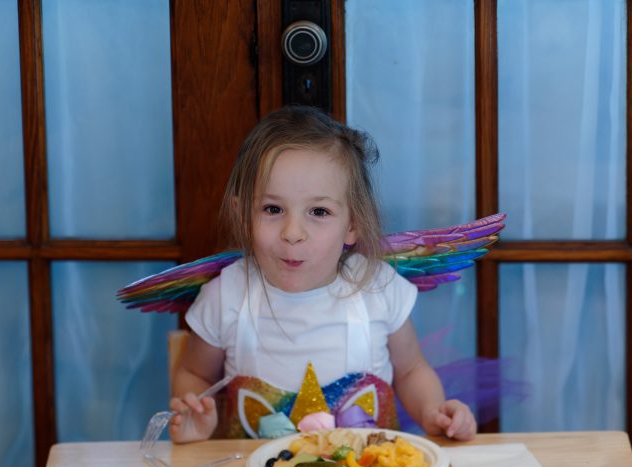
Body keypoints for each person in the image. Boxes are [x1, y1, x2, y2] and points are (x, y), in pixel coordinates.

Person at [170, 105, 477, 443]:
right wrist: (196, 415)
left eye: (319, 211)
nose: (292, 233)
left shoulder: (378, 288)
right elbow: (194, 373)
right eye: (273, 209)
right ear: (243, 215)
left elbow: (411, 371)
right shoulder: (226, 295)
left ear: (352, 224)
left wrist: (432, 410)